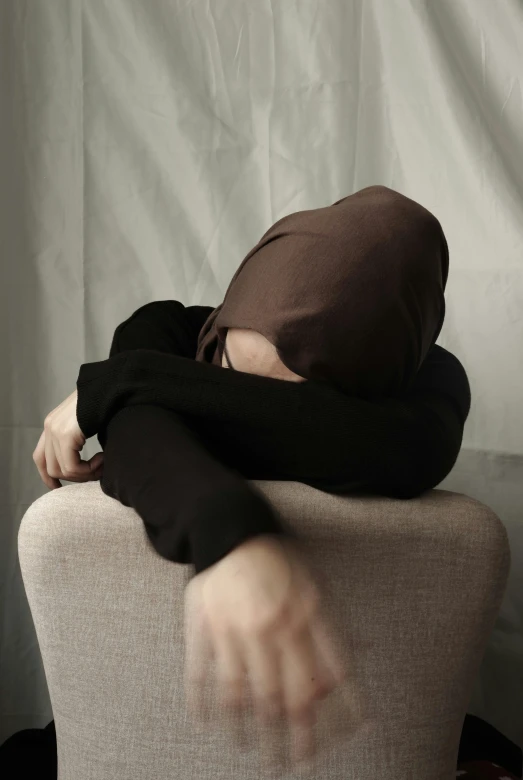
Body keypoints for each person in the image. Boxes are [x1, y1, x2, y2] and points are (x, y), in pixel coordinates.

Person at [7, 186, 519, 778]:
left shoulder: (431, 387)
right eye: (223, 364)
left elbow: (403, 449)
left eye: (283, 400)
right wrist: (231, 539)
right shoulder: (170, 328)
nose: (240, 402)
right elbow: (140, 436)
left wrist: (119, 382)